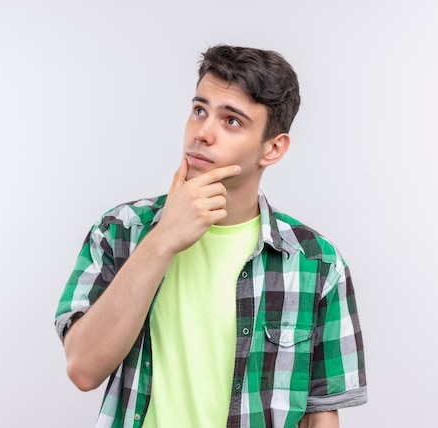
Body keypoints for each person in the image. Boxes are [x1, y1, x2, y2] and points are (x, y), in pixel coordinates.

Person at [55, 44, 367, 428]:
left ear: (273, 148)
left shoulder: (316, 263)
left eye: (231, 121)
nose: (202, 133)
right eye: (199, 110)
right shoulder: (122, 230)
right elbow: (83, 369)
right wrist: (163, 238)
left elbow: (320, 415)